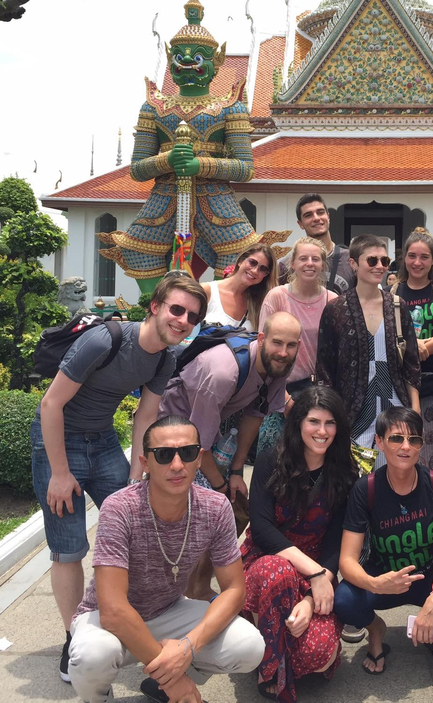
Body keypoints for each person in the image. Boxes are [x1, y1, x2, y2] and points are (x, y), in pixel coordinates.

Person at [30, 271, 206, 683]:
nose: (182, 320)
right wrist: (59, 472)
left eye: (192, 317)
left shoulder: (166, 357)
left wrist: (135, 479)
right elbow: (50, 404)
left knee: (144, 523)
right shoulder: (106, 339)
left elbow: (145, 416)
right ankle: (74, 640)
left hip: (104, 440)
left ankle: (137, 624)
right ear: (156, 307)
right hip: (59, 440)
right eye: (176, 309)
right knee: (70, 546)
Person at [67, 415, 265, 703]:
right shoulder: (119, 509)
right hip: (106, 619)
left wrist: (187, 648)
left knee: (249, 647)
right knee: (93, 655)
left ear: (199, 458)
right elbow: (113, 610)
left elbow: (234, 590)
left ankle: (160, 687)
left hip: (168, 610)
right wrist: (176, 681)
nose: (176, 465)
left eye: (186, 453)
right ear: (145, 462)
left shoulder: (215, 506)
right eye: (163, 455)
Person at [159, 311, 302, 600]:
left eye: (291, 345)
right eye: (276, 343)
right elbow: (200, 447)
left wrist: (237, 472)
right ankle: (174, 595)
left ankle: (198, 586)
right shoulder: (223, 372)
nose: (283, 352)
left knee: (237, 509)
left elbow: (256, 412)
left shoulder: (280, 363)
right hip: (173, 435)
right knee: (206, 514)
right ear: (261, 338)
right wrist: (221, 486)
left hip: (207, 434)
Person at [241, 386, 357, 702]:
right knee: (275, 572)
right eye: (313, 421)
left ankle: (267, 643)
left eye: (330, 423)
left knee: (319, 655)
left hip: (317, 566)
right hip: (267, 562)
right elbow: (262, 529)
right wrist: (316, 577)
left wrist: (311, 595)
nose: (321, 431)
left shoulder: (345, 473)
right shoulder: (270, 460)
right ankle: (272, 671)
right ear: (298, 423)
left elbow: (338, 541)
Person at [335, 407, 433, 675]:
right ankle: (376, 630)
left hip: (430, 576)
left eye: (414, 439)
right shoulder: (366, 489)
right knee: (344, 601)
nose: (406, 447)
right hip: (384, 577)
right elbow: (347, 561)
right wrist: (375, 583)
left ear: (421, 444)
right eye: (396, 438)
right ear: (380, 442)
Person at [316, 234, 420, 466]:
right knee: (355, 477)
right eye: (372, 261)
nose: (380, 266)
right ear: (353, 263)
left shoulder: (397, 306)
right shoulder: (336, 309)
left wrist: (415, 409)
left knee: (397, 469)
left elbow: (412, 363)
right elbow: (324, 368)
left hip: (395, 402)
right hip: (353, 408)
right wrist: (329, 415)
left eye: (385, 261)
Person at [257, 238, 338, 451]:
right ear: (292, 263)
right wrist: (283, 399)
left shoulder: (333, 300)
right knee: (272, 458)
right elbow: (261, 350)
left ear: (323, 264)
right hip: (280, 390)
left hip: (318, 393)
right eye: (303, 258)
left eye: (315, 259)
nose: (309, 263)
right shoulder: (277, 297)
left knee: (313, 458)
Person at [390, 229, 433, 479]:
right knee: (401, 445)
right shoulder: (392, 292)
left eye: (424, 257)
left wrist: (417, 347)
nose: (417, 263)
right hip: (400, 384)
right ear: (404, 257)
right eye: (412, 256)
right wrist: (414, 348)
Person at [279, 194, 354, 296]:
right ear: (300, 224)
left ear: (328, 216)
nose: (316, 218)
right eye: (308, 215)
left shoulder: (350, 260)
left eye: (320, 212)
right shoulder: (286, 266)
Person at [201, 242, 277, 331]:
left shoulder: (259, 304)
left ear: (266, 276)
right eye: (252, 262)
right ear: (240, 261)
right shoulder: (207, 291)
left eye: (263, 269)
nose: (255, 271)